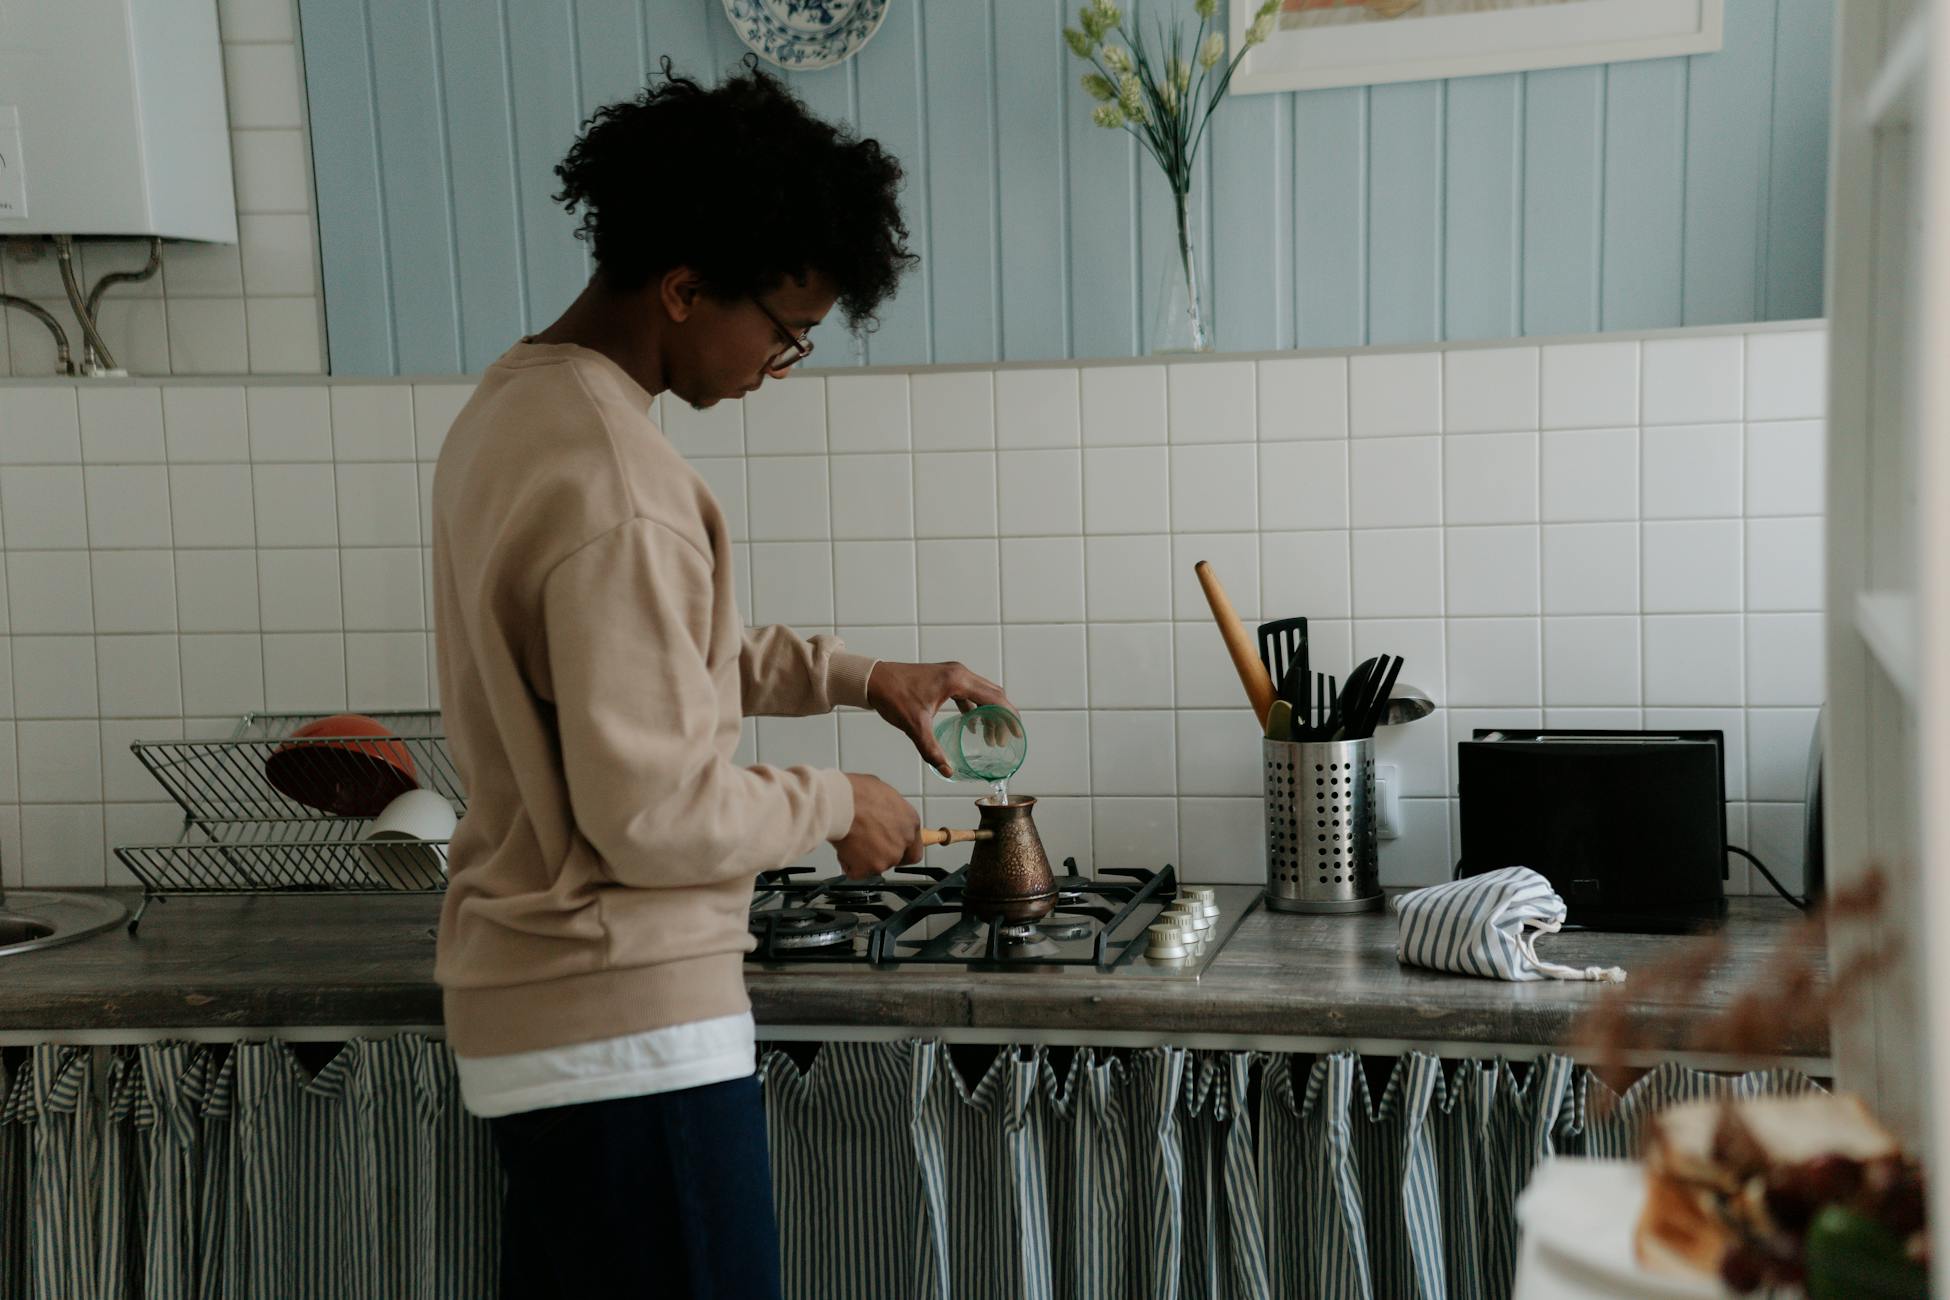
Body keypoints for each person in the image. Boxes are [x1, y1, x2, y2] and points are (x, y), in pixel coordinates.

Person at [428, 60, 1012, 1299]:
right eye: (788, 330)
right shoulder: (619, 481)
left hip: (556, 1031)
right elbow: (654, 815)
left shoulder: (515, 408)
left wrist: (860, 675)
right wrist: (836, 802)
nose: (782, 362)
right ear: (686, 288)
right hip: (626, 1037)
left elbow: (638, 658)